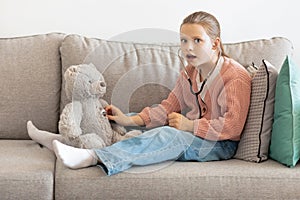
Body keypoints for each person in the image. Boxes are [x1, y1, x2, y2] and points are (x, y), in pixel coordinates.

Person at [29, 11, 251, 176]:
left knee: (167, 135)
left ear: (215, 44)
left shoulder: (235, 77)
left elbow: (231, 127)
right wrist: (129, 119)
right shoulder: (189, 74)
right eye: (184, 40)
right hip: (193, 132)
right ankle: (64, 141)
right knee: (122, 124)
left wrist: (190, 126)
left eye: (197, 41)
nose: (188, 48)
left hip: (219, 144)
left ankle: (93, 156)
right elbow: (167, 108)